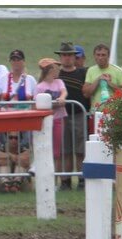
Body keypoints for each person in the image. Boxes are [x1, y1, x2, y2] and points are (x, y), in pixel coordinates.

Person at [55, 42, 89, 190]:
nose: (67, 58)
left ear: (74, 57)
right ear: (60, 57)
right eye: (64, 55)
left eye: (70, 55)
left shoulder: (83, 73)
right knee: (65, 151)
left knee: (81, 150)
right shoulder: (56, 74)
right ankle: (65, 181)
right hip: (62, 116)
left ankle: (82, 179)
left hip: (79, 114)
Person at [35, 58, 67, 184]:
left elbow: (64, 92)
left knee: (57, 152)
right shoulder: (40, 87)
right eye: (56, 68)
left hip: (58, 119)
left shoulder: (59, 82)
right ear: (50, 70)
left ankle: (55, 180)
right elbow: (37, 103)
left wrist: (62, 98)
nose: (58, 70)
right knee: (45, 149)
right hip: (45, 120)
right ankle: (45, 179)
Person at [82, 44, 122, 111]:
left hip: (114, 112)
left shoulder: (118, 71)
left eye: (103, 55)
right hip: (96, 112)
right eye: (98, 55)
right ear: (94, 56)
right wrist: (98, 79)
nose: (100, 58)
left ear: (108, 56)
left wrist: (109, 83)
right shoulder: (91, 70)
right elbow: (86, 94)